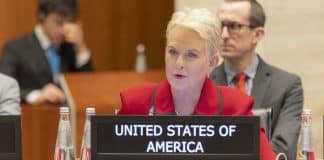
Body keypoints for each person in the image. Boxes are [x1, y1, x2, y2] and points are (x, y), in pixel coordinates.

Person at [118, 8, 276, 159]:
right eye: (172, 52)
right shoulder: (135, 104)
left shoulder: (235, 109)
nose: (179, 63)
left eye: (191, 55)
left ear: (212, 62)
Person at [210, 0, 303, 159]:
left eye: (234, 26)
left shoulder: (287, 85)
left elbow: (282, 149)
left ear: (257, 34)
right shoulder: (204, 83)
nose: (224, 35)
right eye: (220, 26)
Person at [0, 0, 93, 105]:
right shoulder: (15, 48)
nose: (65, 30)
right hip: (33, 116)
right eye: (59, 22)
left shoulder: (71, 47)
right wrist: (36, 95)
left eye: (69, 22)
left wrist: (81, 47)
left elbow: (89, 89)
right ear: (42, 17)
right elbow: (3, 90)